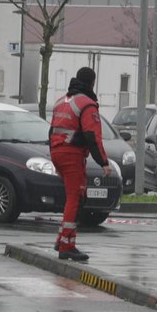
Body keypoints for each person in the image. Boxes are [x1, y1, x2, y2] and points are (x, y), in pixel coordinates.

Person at [48, 66, 107, 261]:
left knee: (74, 197)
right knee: (75, 199)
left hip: (57, 152)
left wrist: (55, 161)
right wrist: (103, 163)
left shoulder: (61, 102)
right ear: (92, 83)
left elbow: (52, 132)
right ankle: (66, 245)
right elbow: (93, 136)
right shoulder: (87, 105)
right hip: (72, 154)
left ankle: (62, 239)